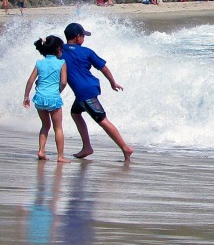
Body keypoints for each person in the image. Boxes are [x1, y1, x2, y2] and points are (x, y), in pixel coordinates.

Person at [62, 22, 133, 162]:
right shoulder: (87, 51)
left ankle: (125, 147)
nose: (84, 39)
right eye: (83, 35)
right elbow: (104, 68)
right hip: (88, 89)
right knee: (75, 113)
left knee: (102, 120)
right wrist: (113, 82)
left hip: (84, 93)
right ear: (77, 37)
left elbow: (49, 48)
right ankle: (87, 147)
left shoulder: (60, 51)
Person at [23, 35, 71, 164]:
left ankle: (41, 151)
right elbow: (64, 82)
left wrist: (26, 97)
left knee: (45, 125)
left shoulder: (39, 63)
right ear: (59, 49)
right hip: (53, 99)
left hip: (39, 98)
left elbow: (30, 81)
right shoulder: (61, 62)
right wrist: (58, 91)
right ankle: (60, 156)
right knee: (58, 128)